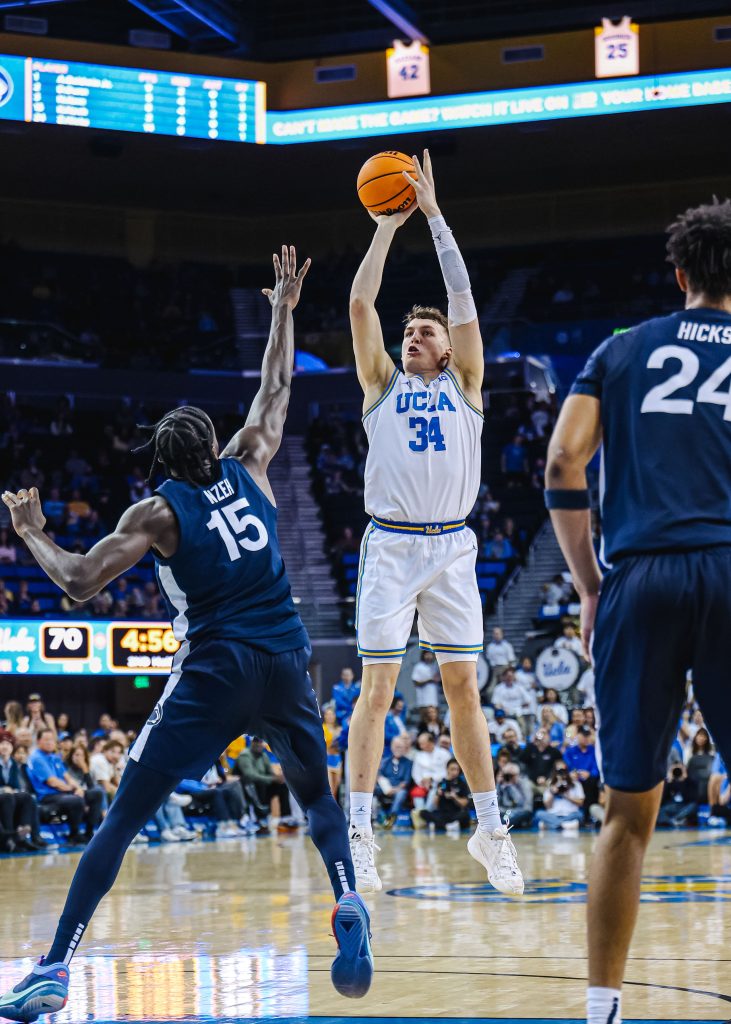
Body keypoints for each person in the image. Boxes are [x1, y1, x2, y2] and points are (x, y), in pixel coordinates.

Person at [0, 247, 372, 1022]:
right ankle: (346, 895)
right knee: (315, 796)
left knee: (125, 814)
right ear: (215, 445)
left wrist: (32, 532)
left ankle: (55, 965)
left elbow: (76, 582)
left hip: (217, 666)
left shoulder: (156, 513)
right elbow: (275, 387)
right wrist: (282, 310)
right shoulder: (252, 461)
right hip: (287, 655)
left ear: (159, 465)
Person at [545, 199, 731, 1024]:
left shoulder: (620, 350)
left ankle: (602, 1010)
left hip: (642, 575)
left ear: (681, 275)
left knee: (627, 812)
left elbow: (562, 460)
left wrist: (588, 584)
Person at [346, 149, 521, 896]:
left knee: (461, 689)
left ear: (449, 348)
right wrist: (387, 225)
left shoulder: (468, 384)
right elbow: (361, 308)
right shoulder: (380, 382)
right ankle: (358, 830)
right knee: (377, 690)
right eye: (409, 331)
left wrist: (437, 217)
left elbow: (463, 299)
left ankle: (490, 828)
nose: (414, 335)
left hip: (449, 549)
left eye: (425, 332)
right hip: (389, 546)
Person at [27, 728, 104, 845]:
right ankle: (74, 835)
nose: (49, 742)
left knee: (97, 793)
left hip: (63, 793)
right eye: (46, 739)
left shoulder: (54, 757)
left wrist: (78, 788)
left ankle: (89, 833)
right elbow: (52, 782)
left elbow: (67, 777)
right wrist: (73, 790)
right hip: (47, 796)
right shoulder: (37, 758)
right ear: (38, 741)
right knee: (75, 799)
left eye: (52, 740)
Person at [0, 731, 46, 852]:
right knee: (7, 797)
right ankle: (10, 839)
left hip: (9, 795)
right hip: (3, 796)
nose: (5, 747)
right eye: (2, 744)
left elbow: (15, 784)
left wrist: (10, 790)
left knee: (26, 797)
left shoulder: (13, 763)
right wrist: (4, 789)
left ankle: (23, 835)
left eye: (8, 744)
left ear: (11, 748)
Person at [419, 758, 472, 832]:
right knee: (423, 812)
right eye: (452, 769)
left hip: (455, 813)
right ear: (447, 769)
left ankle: (440, 825)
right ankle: (449, 825)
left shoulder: (462, 784)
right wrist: (438, 794)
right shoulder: (442, 783)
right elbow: (436, 805)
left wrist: (455, 797)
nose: (455, 772)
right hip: (443, 813)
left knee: (466, 815)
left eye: (457, 769)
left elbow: (465, 803)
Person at [535, 762, 585, 831]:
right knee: (539, 813)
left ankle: (551, 824)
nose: (561, 774)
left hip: (570, 814)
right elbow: (547, 806)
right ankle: (564, 825)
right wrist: (552, 793)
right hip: (553, 814)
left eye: (563, 771)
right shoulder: (550, 783)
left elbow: (581, 803)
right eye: (559, 771)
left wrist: (567, 796)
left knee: (580, 815)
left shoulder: (575, 784)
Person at [375, 735, 412, 827]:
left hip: (398, 789)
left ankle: (391, 817)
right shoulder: (385, 761)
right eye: (396, 747)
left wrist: (394, 790)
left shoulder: (409, 763)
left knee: (402, 793)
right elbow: (379, 776)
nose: (398, 749)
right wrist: (386, 789)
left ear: (404, 749)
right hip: (384, 788)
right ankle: (374, 817)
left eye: (400, 747)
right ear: (391, 747)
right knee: (372, 789)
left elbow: (406, 781)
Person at [655, 763, 698, 827]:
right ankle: (678, 820)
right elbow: (662, 799)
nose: (677, 771)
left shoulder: (690, 781)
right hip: (673, 805)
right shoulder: (670, 781)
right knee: (660, 809)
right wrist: (668, 781)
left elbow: (691, 798)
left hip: (685, 805)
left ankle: (673, 820)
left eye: (679, 769)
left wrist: (683, 780)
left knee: (693, 806)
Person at [496, 760, 534, 830]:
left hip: (520, 811)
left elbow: (521, 803)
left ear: (517, 774)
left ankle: (502, 824)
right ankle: (503, 823)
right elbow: (496, 802)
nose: (508, 777)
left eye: (511, 775)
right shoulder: (502, 783)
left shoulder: (524, 783)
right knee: (497, 814)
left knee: (508, 817)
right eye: (506, 775)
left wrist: (511, 787)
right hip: (506, 811)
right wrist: (498, 784)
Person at [322, 707, 343, 801]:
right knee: (329, 789)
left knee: (335, 788)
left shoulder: (339, 729)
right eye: (328, 714)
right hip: (327, 759)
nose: (330, 716)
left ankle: (332, 811)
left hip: (337, 759)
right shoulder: (322, 728)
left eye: (332, 714)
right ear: (325, 716)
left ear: (334, 716)